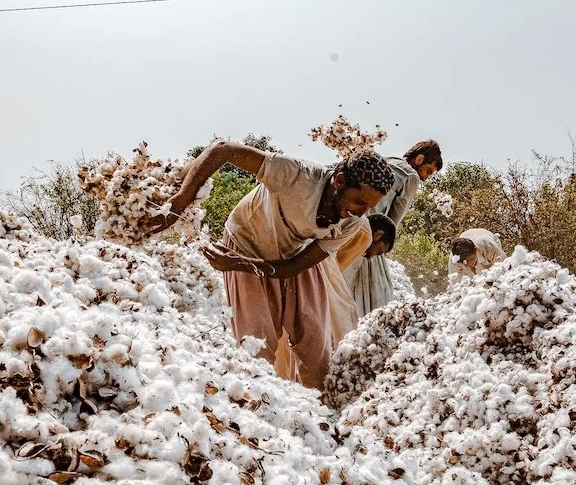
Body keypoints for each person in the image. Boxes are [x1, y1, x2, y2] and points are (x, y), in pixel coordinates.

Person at [148, 140, 394, 390]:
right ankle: (261, 402)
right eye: (359, 201)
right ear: (339, 180)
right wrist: (179, 201)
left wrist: (250, 265)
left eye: (368, 207)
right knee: (257, 343)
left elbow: (294, 266)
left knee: (315, 340)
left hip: (292, 255)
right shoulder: (296, 175)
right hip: (245, 244)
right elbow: (223, 150)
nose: (362, 212)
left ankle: (320, 410)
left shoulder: (350, 222)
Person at [275, 213, 397, 380]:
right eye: (378, 251)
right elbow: (333, 270)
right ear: (378, 235)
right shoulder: (364, 235)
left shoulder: (349, 223)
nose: (370, 257)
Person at [345, 140, 443, 316]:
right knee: (376, 296)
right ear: (419, 159)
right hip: (369, 235)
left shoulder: (388, 161)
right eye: (428, 170)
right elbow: (392, 222)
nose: (426, 177)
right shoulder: (411, 176)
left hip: (348, 226)